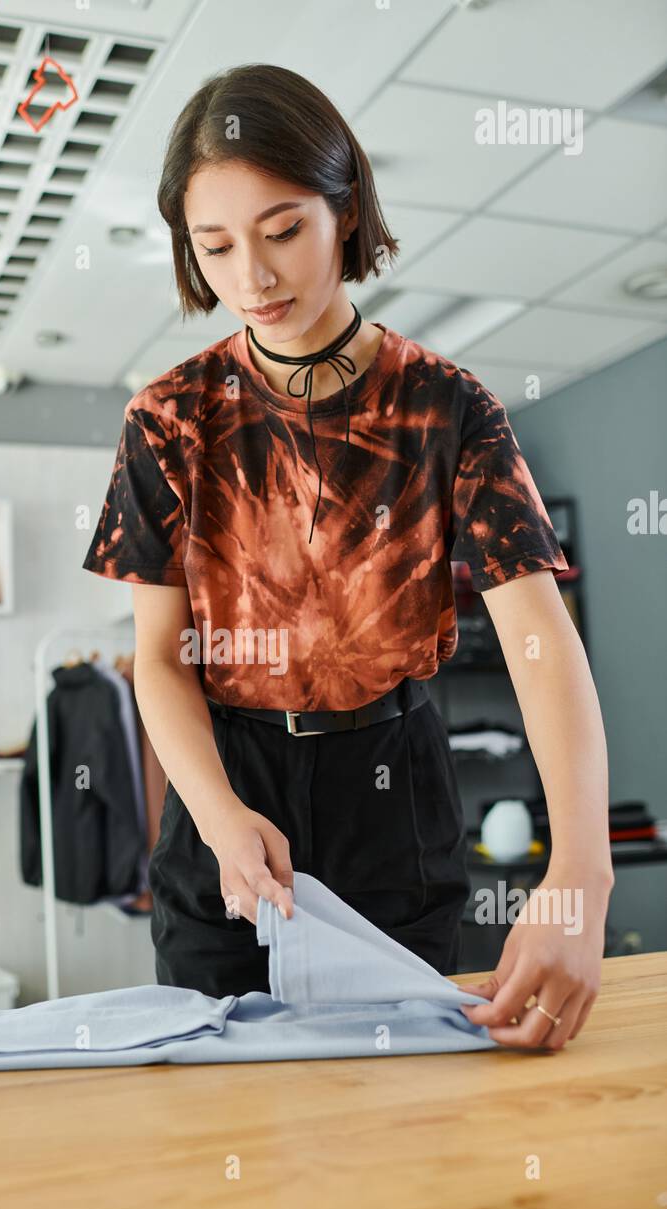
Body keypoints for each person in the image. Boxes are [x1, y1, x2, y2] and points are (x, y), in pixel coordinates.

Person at [84, 64, 614, 1051]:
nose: (251, 276)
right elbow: (156, 657)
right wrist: (215, 815)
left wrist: (578, 871)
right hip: (225, 777)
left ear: (345, 209)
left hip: (390, 781)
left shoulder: (449, 409)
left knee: (401, 1108)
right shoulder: (164, 420)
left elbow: (539, 640)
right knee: (219, 1112)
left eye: (281, 229)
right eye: (215, 247)